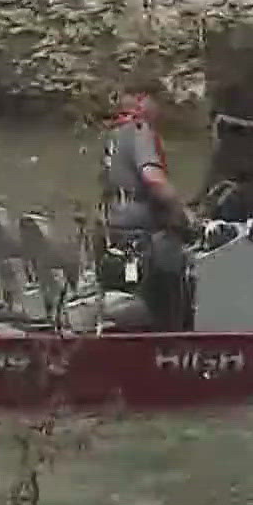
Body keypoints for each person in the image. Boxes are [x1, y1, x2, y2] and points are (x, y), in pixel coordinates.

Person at [98, 84, 197, 330]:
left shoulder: (114, 134)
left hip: (115, 225)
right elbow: (153, 179)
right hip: (142, 231)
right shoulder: (140, 132)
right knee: (181, 257)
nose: (160, 111)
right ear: (143, 101)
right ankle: (175, 332)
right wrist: (186, 214)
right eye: (157, 102)